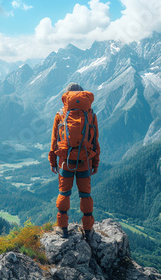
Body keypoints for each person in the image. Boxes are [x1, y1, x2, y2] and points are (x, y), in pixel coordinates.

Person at [48, 83, 100, 241]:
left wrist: (53, 161)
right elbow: (95, 142)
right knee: (86, 195)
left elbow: (54, 141)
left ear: (67, 95)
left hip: (65, 161)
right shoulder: (91, 115)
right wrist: (95, 162)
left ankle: (62, 228)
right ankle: (88, 230)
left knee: (64, 193)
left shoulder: (61, 114)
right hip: (85, 160)